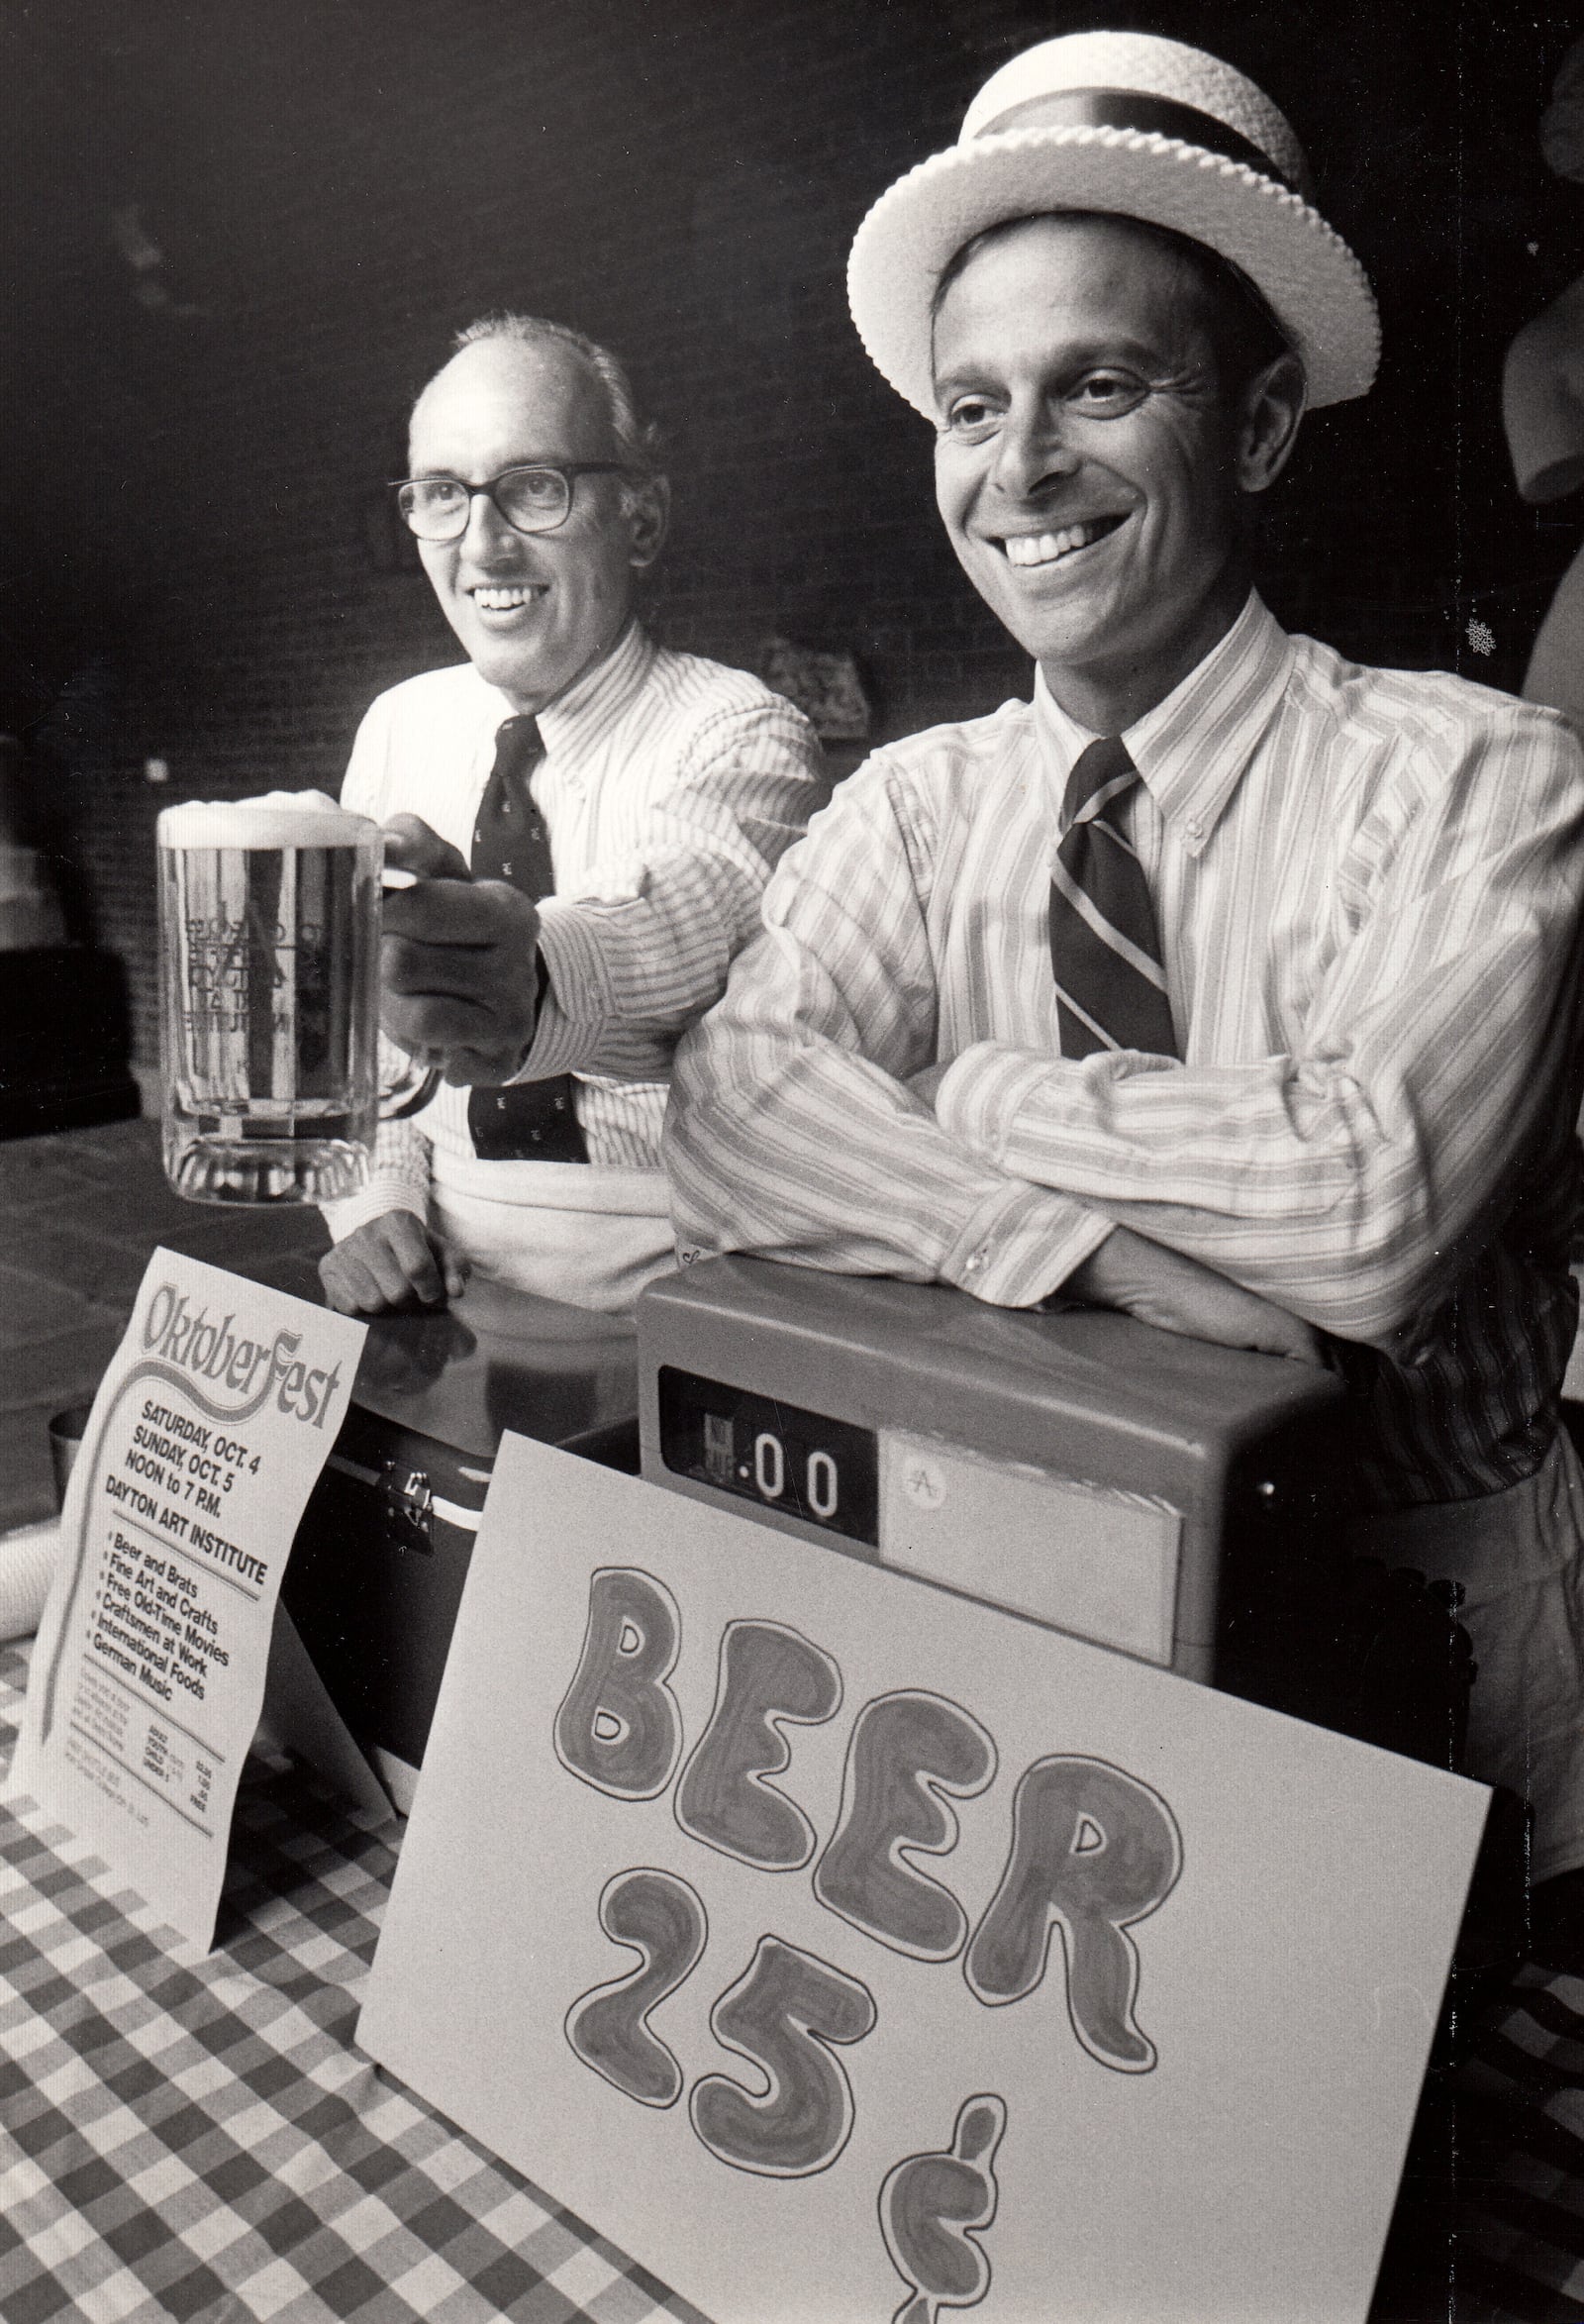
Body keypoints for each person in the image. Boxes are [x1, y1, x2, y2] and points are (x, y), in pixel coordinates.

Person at [666, 33, 1584, 1920]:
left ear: (1252, 428)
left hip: (1449, 1660)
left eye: (1101, 384)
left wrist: (965, 1098)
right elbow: (727, 1111)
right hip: (1042, 1635)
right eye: (971, 403)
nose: (1023, 468)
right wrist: (1067, 1242)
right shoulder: (917, 801)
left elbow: (1369, 1210)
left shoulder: (1484, 772)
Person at [319, 313, 825, 1316]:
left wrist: (526, 969)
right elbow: (360, 1043)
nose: (482, 541)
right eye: (442, 495)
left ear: (640, 519)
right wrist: (374, 1205)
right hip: (440, 1284)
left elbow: (676, 918)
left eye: (532, 487)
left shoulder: (743, 731)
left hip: (684, 1284)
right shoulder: (397, 727)